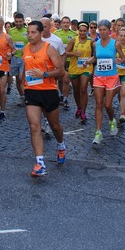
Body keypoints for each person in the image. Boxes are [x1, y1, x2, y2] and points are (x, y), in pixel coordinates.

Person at [22, 20, 66, 177]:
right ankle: (40, 163)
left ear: (41, 33)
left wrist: (45, 74)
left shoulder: (50, 49)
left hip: (48, 91)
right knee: (34, 126)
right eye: (28, 32)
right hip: (32, 91)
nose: (30, 35)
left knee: (54, 125)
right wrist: (23, 86)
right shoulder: (26, 49)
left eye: (33, 32)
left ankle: (61, 145)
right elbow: (25, 69)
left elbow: (61, 71)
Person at [85, 19, 125, 144]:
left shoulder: (115, 44)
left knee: (108, 104)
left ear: (109, 30)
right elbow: (95, 57)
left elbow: (123, 57)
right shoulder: (95, 44)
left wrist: (120, 60)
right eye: (100, 29)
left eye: (104, 30)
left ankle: (111, 120)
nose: (102, 32)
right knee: (98, 103)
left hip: (112, 77)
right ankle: (98, 132)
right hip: (98, 76)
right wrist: (88, 61)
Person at [66, 21, 94, 123]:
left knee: (83, 88)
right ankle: (78, 107)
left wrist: (90, 61)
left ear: (87, 31)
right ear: (78, 31)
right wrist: (74, 53)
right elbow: (65, 53)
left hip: (86, 68)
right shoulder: (73, 40)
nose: (82, 33)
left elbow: (95, 55)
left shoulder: (91, 42)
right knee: (76, 90)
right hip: (74, 68)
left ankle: (83, 111)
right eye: (81, 31)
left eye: (84, 31)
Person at [53, 16, 77, 110]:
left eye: (67, 22)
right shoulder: (56, 33)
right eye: (64, 23)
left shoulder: (74, 34)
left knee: (66, 79)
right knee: (60, 79)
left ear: (70, 24)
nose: (66, 24)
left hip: (70, 61)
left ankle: (65, 98)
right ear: (61, 24)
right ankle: (61, 94)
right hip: (59, 60)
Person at [8, 12, 28, 105]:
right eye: (16, 21)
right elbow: (9, 43)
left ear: (23, 21)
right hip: (15, 58)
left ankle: (27, 97)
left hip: (24, 58)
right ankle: (22, 96)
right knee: (17, 78)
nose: (18, 23)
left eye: (20, 21)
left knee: (22, 77)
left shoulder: (27, 30)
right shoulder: (11, 31)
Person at [4, 21, 13, 94]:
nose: (7, 28)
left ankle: (9, 86)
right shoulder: (3, 36)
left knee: (9, 73)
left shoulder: (12, 36)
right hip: (4, 56)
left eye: (9, 27)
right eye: (6, 27)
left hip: (11, 56)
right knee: (5, 72)